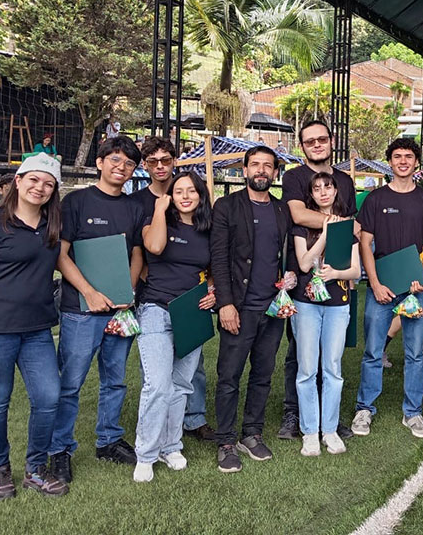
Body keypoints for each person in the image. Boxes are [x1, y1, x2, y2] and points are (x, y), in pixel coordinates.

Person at [0, 154, 68, 499]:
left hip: (38, 330)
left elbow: (65, 261)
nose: (40, 188)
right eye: (34, 180)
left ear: (54, 191)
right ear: (18, 181)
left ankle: (35, 469)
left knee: (49, 397)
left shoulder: (52, 226)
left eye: (48, 184)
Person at [48, 136, 146, 483]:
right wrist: (89, 293)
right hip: (80, 311)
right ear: (101, 161)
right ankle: (60, 448)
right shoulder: (76, 202)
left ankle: (109, 439)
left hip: (120, 311)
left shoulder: (134, 207)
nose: (121, 168)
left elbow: (137, 254)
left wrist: (128, 291)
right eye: (116, 160)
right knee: (70, 383)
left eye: (129, 164)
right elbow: (60, 254)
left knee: (115, 381)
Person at [351, 138, 423, 439]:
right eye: (398, 156)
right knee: (373, 351)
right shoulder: (376, 199)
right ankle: (365, 408)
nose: (403, 161)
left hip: (417, 289)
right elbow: (365, 242)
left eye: (409, 156)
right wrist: (374, 283)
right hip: (382, 289)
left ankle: (412, 412)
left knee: (415, 353)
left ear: (416, 162)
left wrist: (422, 278)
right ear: (390, 162)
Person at [211, 145, 293, 473]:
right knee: (229, 376)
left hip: (271, 310)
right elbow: (219, 258)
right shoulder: (227, 206)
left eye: (267, 166)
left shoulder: (282, 210)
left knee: (262, 374)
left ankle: (252, 433)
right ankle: (227, 440)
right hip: (238, 308)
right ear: (244, 170)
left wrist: (289, 276)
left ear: (275, 173)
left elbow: (284, 256)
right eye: (255, 165)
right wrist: (226, 304)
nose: (261, 171)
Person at [130, 139, 215, 443]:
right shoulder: (155, 216)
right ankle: (147, 450)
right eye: (179, 191)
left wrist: (214, 289)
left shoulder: (208, 228)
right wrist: (160, 207)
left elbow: (215, 267)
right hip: (156, 305)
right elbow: (152, 247)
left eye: (191, 190)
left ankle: (173, 442)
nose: (185, 196)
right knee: (158, 383)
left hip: (191, 309)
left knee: (183, 381)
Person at [279, 120, 357, 441]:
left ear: (331, 140)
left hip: (338, 275)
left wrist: (346, 271)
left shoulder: (346, 181)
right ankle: (293, 412)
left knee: (331, 353)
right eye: (309, 141)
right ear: (302, 146)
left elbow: (353, 225)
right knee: (299, 350)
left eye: (321, 139)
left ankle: (329, 417)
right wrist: (335, 224)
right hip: (303, 275)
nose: (316, 145)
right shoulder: (294, 177)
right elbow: (298, 215)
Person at [291, 172, 361, 456]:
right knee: (307, 369)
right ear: (312, 194)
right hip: (306, 305)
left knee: (332, 369)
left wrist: (336, 273)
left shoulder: (348, 228)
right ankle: (310, 432)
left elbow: (356, 271)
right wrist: (325, 234)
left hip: (337, 305)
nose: (323, 192)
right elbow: (305, 264)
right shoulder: (300, 229)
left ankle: (329, 430)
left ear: (335, 192)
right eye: (317, 188)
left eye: (327, 187)